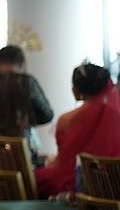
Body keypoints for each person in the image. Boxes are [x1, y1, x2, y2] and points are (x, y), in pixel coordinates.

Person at [35, 63, 120, 197]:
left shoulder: (66, 120)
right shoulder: (116, 117)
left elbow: (64, 160)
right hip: (112, 185)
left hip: (75, 183)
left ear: (76, 89)